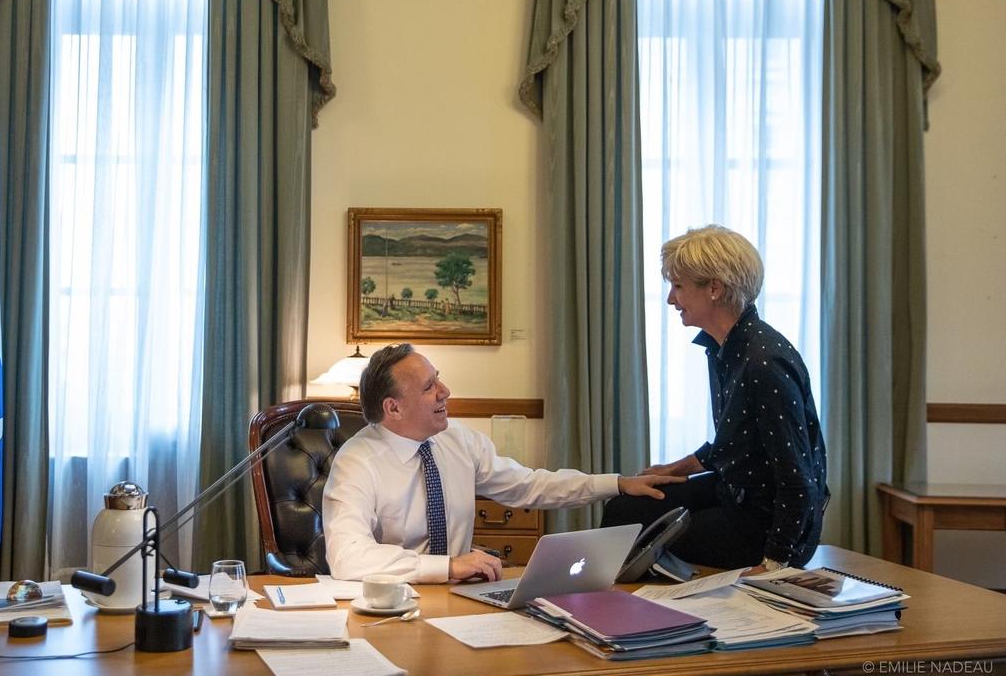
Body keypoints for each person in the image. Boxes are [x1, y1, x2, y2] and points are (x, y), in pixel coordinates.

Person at [322, 343, 683, 583]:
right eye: (430, 386)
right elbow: (348, 558)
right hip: (391, 607)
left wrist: (617, 484)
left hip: (461, 595)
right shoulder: (356, 462)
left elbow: (528, 485)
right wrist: (446, 567)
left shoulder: (457, 440)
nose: (445, 390)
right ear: (393, 408)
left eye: (439, 378)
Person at [599, 225, 828, 572]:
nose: (671, 300)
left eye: (678, 286)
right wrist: (676, 468)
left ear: (715, 289)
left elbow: (798, 481)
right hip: (734, 493)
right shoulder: (725, 348)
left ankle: (637, 610)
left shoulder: (764, 362)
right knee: (626, 507)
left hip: (768, 525)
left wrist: (774, 563)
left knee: (637, 535)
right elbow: (736, 442)